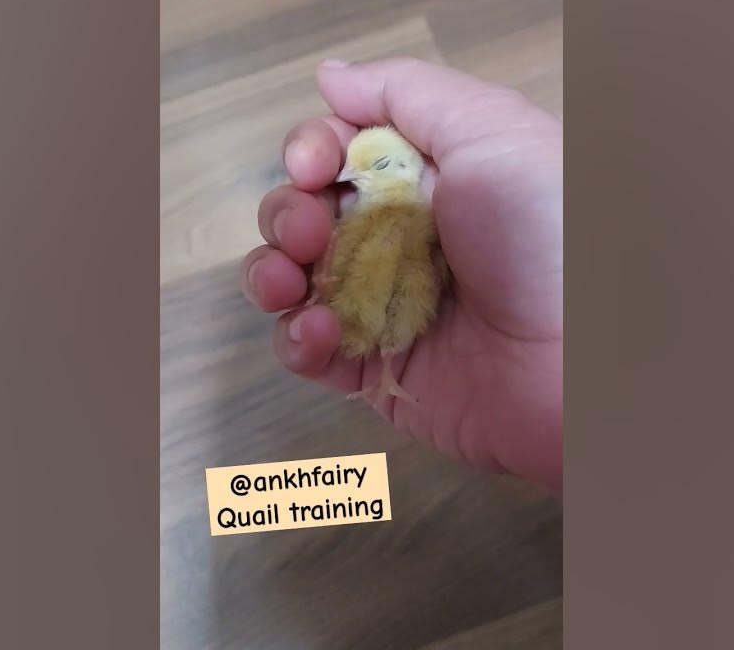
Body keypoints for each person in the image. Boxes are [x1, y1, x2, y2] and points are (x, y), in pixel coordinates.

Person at [240, 57, 563, 494]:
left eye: (370, 168)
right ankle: (383, 363)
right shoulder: (377, 215)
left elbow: (426, 272)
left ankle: (385, 363)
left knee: (392, 293)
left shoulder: (418, 213)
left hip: (414, 313)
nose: (352, 174)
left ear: (399, 170)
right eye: (355, 167)